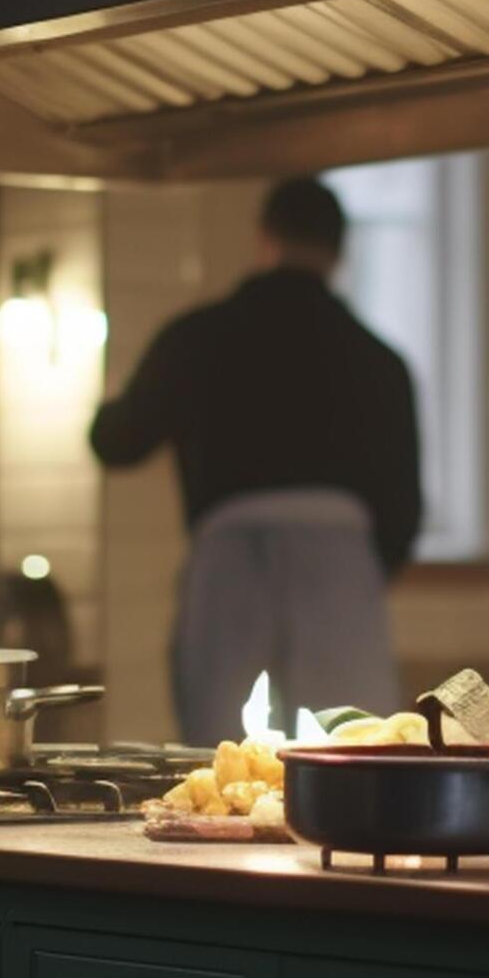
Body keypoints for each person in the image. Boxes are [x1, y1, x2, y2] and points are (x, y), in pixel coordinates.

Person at [91, 176, 421, 742]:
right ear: (339, 252)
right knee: (349, 747)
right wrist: (362, 568)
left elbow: (117, 442)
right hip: (339, 563)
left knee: (225, 743)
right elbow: (404, 510)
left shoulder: (196, 337)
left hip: (231, 557)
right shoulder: (379, 361)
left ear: (264, 238)